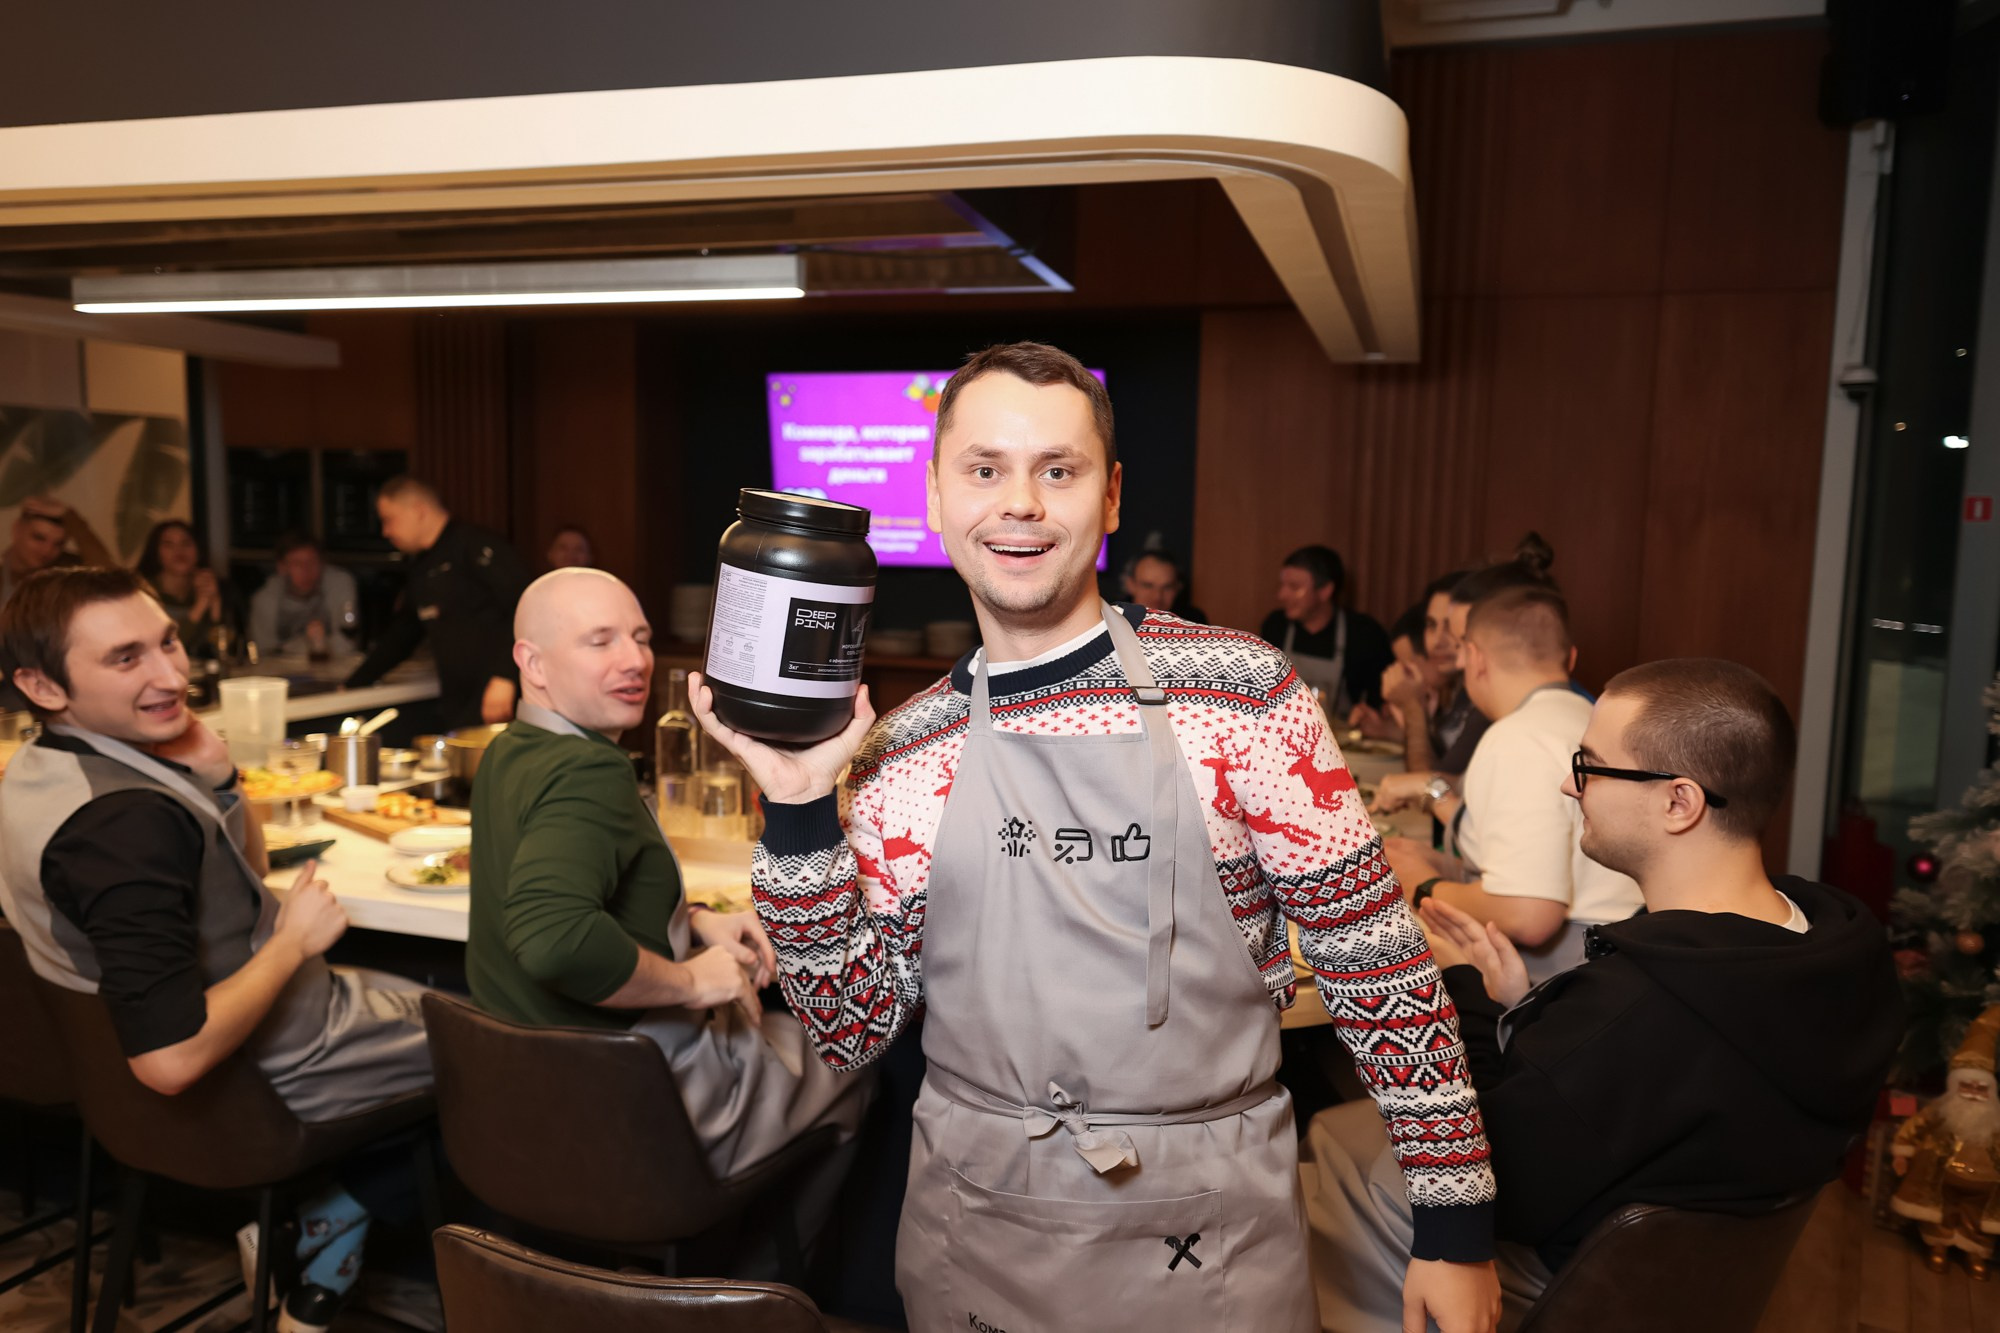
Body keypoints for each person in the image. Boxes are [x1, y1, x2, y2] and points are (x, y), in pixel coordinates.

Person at [691, 342, 1502, 1332]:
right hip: (974, 1232)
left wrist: (1451, 1220)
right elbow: (849, 1024)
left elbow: (1373, 963)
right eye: (984, 469)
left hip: (1203, 1241)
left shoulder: (1240, 694)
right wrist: (798, 809)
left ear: (1109, 498)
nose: (1019, 503)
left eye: (1057, 470)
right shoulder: (899, 750)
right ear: (936, 496)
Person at [1303, 657, 1901, 1331]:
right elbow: (1612, 1089)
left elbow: (1481, 1177)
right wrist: (1523, 1005)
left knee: (1341, 1157)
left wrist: (1462, 987)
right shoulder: (1830, 951)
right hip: (1689, 1290)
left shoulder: (1642, 1009)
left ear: (1681, 801)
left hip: (1577, 1284)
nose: (1568, 784)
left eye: (1589, 765)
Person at [0, 566, 433, 1332]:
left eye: (168, 642)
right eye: (125, 658)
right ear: (42, 686)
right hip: (269, 1073)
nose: (172, 674)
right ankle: (329, 1224)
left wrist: (220, 778)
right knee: (510, 1047)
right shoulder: (125, 826)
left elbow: (244, 872)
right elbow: (169, 1059)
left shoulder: (49, 768)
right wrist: (293, 942)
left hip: (134, 1102)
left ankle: (317, 1223)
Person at [467, 567, 872, 1206]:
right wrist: (691, 979)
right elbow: (553, 940)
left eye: (641, 637)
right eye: (600, 642)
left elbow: (571, 889)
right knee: (852, 1055)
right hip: (624, 1105)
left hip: (523, 1104)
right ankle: (752, 1285)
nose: (635, 661)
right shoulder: (588, 769)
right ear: (533, 664)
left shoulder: (510, 749)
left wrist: (692, 919)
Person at [1379, 585, 1641, 984]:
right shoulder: (1586, 715)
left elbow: (1529, 914)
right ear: (1568, 658)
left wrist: (1422, 884)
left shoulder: (1518, 737)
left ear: (1475, 659)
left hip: (1565, 979)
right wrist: (1450, 865)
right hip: (1618, 960)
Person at [345, 477, 530, 729]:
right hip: (457, 700)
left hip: (500, 695)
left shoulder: (476, 546)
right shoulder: (422, 565)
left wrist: (505, 677)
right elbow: (404, 634)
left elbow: (526, 607)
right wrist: (354, 683)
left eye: (389, 520)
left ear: (419, 510)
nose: (385, 532)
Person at [1259, 544, 1394, 718]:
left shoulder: (1364, 634)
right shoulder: (1276, 626)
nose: (1282, 595)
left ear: (1325, 591)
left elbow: (1381, 701)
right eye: (1283, 585)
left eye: (1293, 587)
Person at [248, 532, 361, 659]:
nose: (306, 570)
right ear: (282, 567)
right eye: (297, 564)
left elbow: (348, 642)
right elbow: (264, 652)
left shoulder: (340, 583)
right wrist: (310, 644)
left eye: (312, 562)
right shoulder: (264, 599)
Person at [137, 519, 236, 654]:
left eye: (186, 543)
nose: (179, 551)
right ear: (156, 552)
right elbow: (166, 647)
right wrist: (199, 607)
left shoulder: (208, 585)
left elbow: (225, 650)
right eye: (169, 545)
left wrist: (215, 602)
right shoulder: (142, 593)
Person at [0, 495, 114, 606]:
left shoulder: (66, 572)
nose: (47, 550)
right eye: (39, 538)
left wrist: (71, 518)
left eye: (58, 544)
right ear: (16, 530)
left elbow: (109, 579)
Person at [1121, 547, 1207, 623]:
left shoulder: (1193, 622)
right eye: (1148, 586)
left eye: (1167, 587)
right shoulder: (1112, 619)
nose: (1157, 596)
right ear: (1130, 585)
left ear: (1178, 588)